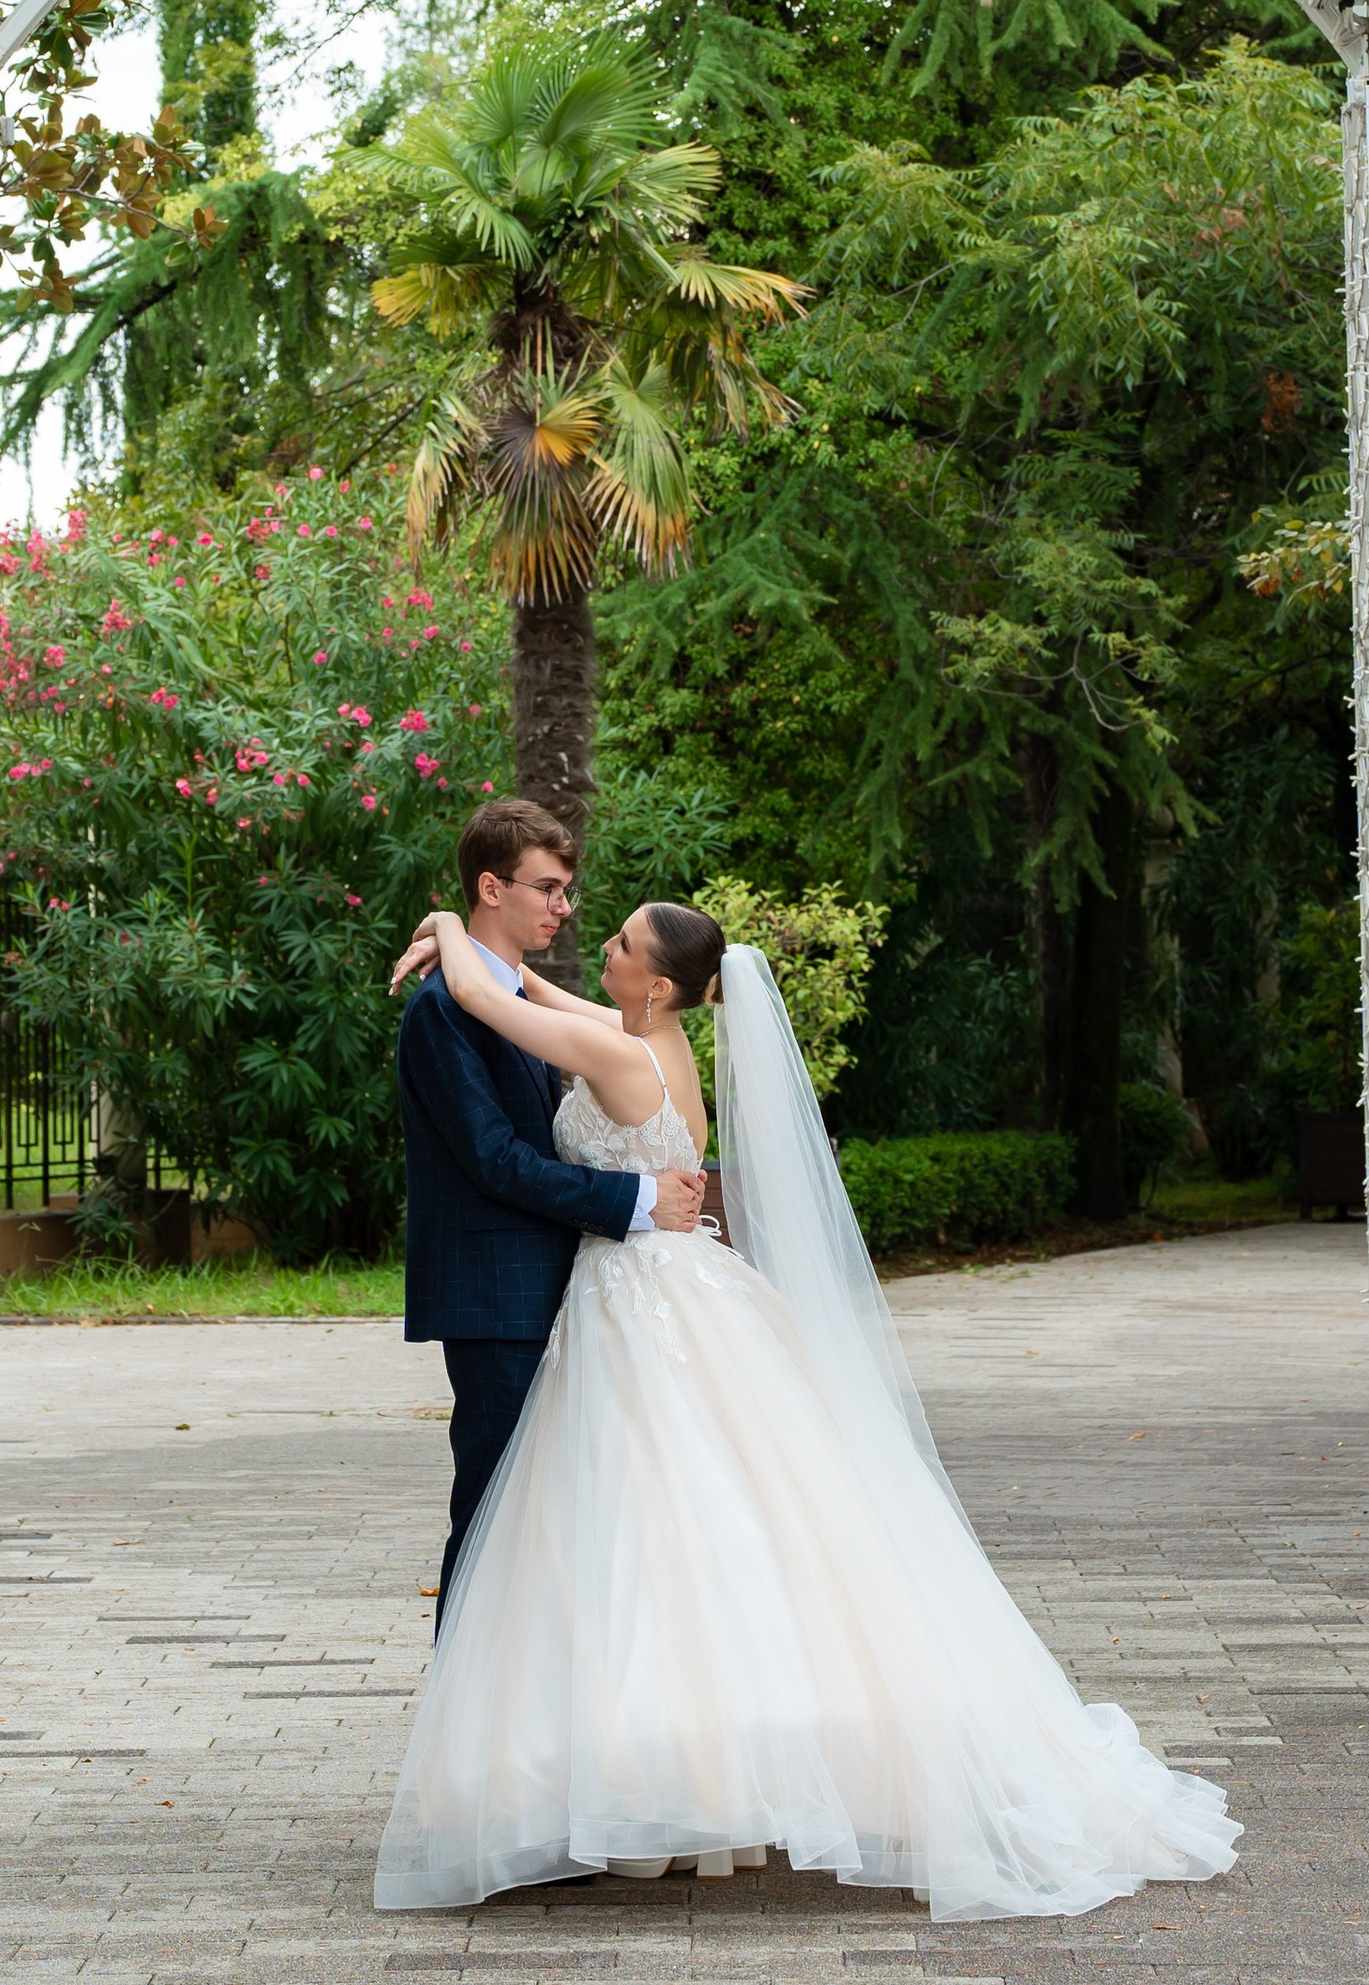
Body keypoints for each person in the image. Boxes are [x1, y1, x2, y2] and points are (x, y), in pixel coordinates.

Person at [376, 893, 1241, 1922]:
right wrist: (492, 954)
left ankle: (666, 1777)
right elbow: (532, 992)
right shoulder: (651, 1037)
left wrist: (445, 922)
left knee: (648, 1518)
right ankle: (693, 1781)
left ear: (656, 983)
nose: (599, 943)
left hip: (635, 1298)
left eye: (620, 942)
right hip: (673, 1285)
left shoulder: (613, 1049)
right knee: (701, 1516)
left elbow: (487, 998)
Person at [394, 798, 706, 1625]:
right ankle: (462, 1692)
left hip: (568, 1294)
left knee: (554, 1521)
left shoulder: (517, 1001)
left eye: (567, 889)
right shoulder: (443, 1008)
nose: (566, 908)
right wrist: (638, 1197)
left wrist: (446, 927)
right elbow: (495, 1159)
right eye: (548, 888)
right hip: (496, 1297)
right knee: (494, 1515)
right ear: (491, 888)